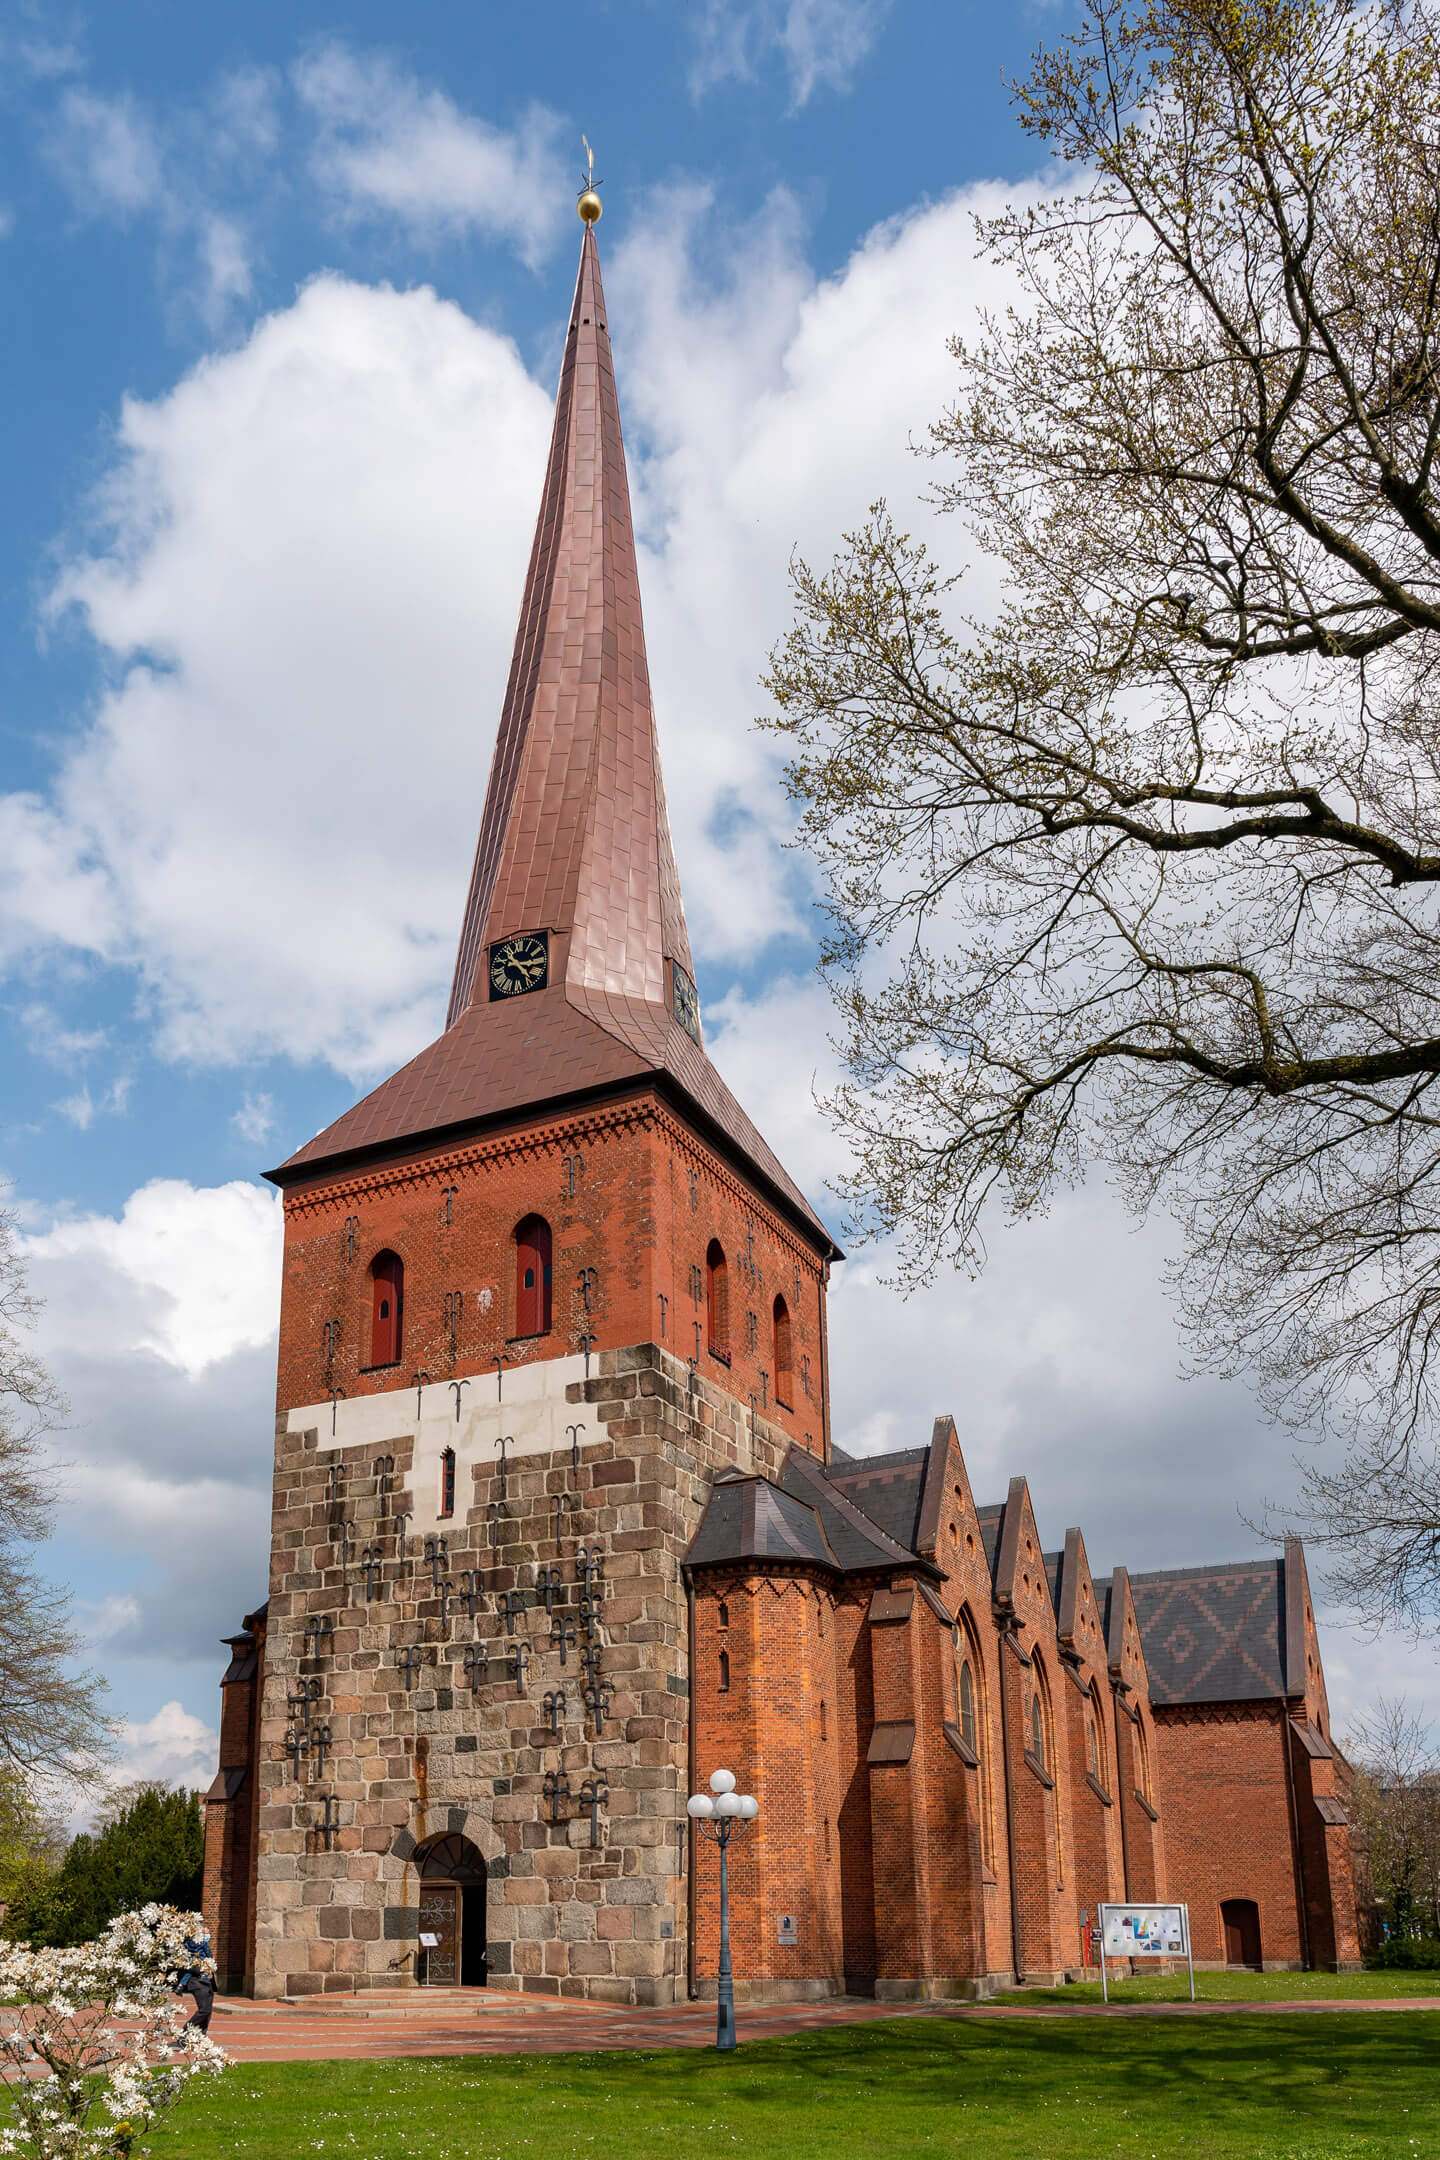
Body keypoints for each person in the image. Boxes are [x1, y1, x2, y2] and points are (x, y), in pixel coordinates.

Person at [172, 1925, 214, 2043]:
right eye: (205, 1934)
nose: (207, 1936)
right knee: (204, 2010)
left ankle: (200, 2036)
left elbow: (210, 1958)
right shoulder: (187, 1947)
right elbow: (186, 1966)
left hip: (207, 1981)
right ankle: (184, 2034)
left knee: (208, 2011)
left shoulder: (203, 1946)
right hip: (197, 1982)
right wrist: (200, 1968)